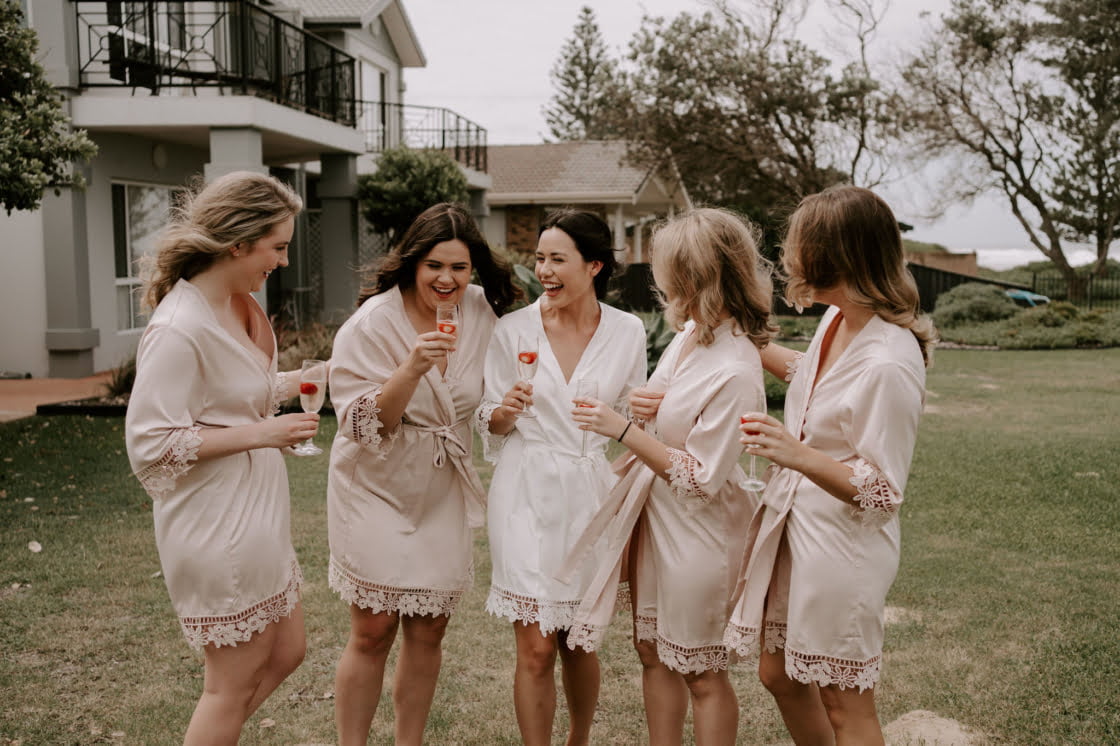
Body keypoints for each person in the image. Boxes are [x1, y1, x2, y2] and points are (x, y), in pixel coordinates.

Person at [724, 185, 935, 745]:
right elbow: (813, 379)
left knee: (845, 702)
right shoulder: (839, 320)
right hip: (795, 529)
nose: (789, 258)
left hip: (845, 548)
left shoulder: (889, 362)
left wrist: (796, 454)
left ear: (834, 254)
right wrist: (741, 338)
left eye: (799, 245)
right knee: (778, 674)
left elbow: (883, 490)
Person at [566, 207, 776, 746]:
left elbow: (701, 478)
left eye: (666, 269)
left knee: (701, 670)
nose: (658, 280)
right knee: (652, 651)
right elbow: (669, 411)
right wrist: (648, 405)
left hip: (701, 534)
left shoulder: (736, 368)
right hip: (658, 521)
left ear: (692, 276)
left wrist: (621, 428)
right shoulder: (690, 336)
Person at [124, 171, 315, 744]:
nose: (283, 261)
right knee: (228, 687)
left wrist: (309, 378)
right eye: (277, 247)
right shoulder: (179, 328)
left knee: (288, 651)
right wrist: (263, 433)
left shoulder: (237, 303)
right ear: (238, 243)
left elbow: (234, 395)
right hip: (217, 522)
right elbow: (152, 444)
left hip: (259, 513)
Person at [326, 203, 521, 746]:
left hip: (440, 483)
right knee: (372, 629)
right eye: (435, 265)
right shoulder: (373, 323)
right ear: (413, 261)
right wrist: (411, 368)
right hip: (375, 481)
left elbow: (495, 386)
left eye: (459, 267)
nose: (447, 279)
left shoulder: (480, 310)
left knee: (430, 626)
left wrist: (506, 410)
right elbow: (362, 425)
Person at [477, 208, 647, 746]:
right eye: (539, 258)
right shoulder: (512, 329)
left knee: (579, 640)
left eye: (557, 259)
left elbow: (635, 418)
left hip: (591, 494)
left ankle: (578, 739)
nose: (544, 271)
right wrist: (504, 410)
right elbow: (489, 420)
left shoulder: (628, 331)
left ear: (593, 265)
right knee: (535, 647)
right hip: (525, 491)